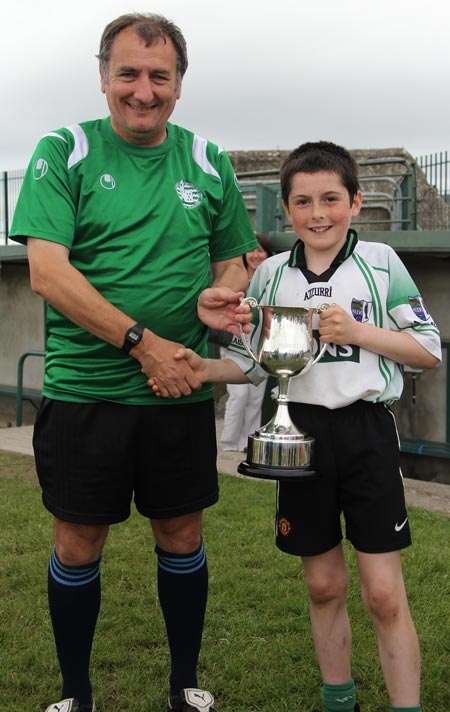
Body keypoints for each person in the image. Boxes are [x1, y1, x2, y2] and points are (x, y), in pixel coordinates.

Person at [9, 13, 258, 712]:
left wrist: (223, 294)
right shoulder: (64, 150)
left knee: (181, 533)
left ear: (179, 83)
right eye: (129, 74)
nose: (143, 91)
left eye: (159, 76)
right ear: (103, 77)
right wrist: (144, 344)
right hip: (88, 390)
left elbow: (235, 261)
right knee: (78, 541)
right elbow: (49, 274)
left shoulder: (207, 160)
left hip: (177, 393)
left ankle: (185, 685)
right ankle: (76, 694)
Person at [152, 142, 442, 712]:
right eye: (303, 201)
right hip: (299, 433)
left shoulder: (381, 262)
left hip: (366, 434)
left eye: (331, 199)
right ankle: (341, 700)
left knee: (383, 594)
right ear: (286, 210)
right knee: (322, 584)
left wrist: (359, 333)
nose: (318, 213)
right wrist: (200, 368)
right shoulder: (272, 278)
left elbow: (428, 350)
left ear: (356, 202)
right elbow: (252, 361)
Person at [219, 233, 272, 452]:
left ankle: (248, 442)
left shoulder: (271, 280)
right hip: (234, 346)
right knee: (239, 396)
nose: (256, 255)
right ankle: (230, 443)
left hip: (260, 348)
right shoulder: (235, 280)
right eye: (252, 250)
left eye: (261, 250)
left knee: (255, 399)